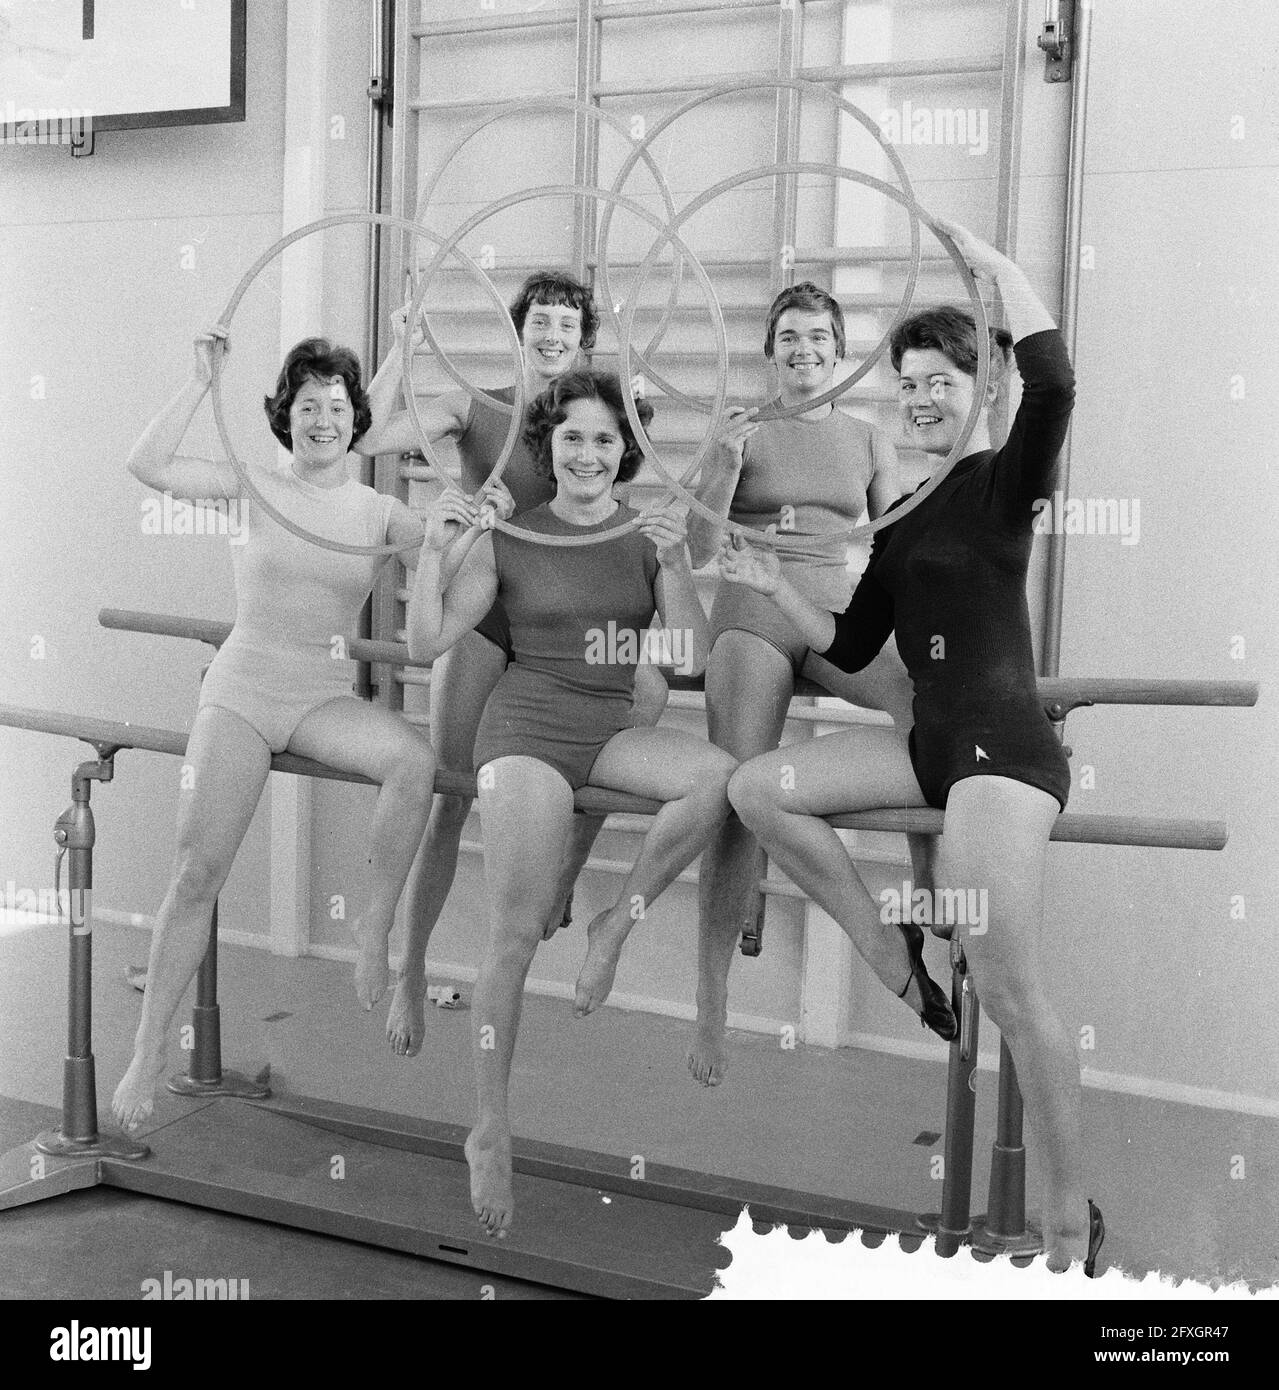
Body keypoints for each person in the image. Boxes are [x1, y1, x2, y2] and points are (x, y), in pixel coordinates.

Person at [718, 220, 1104, 1275]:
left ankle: (1068, 1233)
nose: (925, 396)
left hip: (1001, 757)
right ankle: (892, 957)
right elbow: (846, 643)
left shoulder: (998, 481)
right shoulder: (899, 521)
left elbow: (1056, 380)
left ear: (978, 385)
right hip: (933, 748)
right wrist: (769, 589)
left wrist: (993, 268)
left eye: (944, 378)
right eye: (910, 382)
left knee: (1015, 993)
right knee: (759, 788)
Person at [407, 370, 735, 1236]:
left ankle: (613, 923)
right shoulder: (511, 534)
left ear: (623, 451)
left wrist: (672, 562)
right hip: (522, 730)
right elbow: (427, 641)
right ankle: (490, 1128)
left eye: (602, 439)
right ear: (547, 449)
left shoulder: (643, 533)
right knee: (511, 939)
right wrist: (431, 556)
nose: (586, 453)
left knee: (718, 781)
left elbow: (687, 653)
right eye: (571, 438)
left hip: (608, 720)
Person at [112, 332, 436, 1131]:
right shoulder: (251, 484)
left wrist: (467, 514)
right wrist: (197, 382)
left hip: (321, 696)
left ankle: (374, 930)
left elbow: (466, 554)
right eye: (306, 405)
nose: (322, 420)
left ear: (356, 418)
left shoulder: (380, 512)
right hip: (243, 690)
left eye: (336, 406)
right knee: (196, 872)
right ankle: (149, 1051)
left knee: (413, 761)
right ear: (283, 416)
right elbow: (146, 464)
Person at [358, 271, 668, 1059]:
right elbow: (366, 436)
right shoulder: (474, 402)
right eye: (540, 319)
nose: (553, 331)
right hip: (487, 616)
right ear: (518, 328)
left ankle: (565, 874)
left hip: (570, 632)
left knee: (647, 695)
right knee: (450, 798)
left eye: (568, 321)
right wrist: (398, 346)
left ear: (584, 337)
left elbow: (639, 499)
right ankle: (410, 967)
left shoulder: (593, 415)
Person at [686, 281, 951, 1087]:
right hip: (750, 612)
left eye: (818, 337)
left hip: (834, 613)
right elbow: (698, 546)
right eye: (789, 337)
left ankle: (927, 890)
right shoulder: (739, 429)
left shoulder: (868, 439)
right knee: (734, 789)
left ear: (838, 351)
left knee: (923, 708)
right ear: (771, 351)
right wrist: (724, 467)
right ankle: (711, 999)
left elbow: (889, 550)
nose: (804, 349)